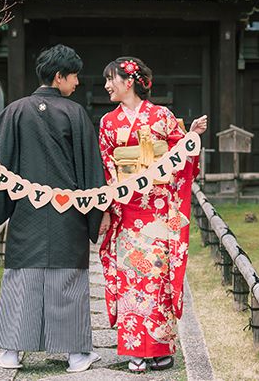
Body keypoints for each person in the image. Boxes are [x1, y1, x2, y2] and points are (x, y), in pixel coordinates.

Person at [0, 44, 105, 373]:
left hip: (28, 210)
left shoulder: (16, 110)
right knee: (67, 280)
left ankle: (10, 351)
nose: (77, 82)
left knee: (23, 278)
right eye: (74, 76)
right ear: (59, 77)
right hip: (69, 212)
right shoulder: (75, 114)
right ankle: (77, 355)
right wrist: (97, 212)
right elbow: (92, 169)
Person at [98, 56, 208, 373]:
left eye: (111, 79)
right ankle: (135, 349)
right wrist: (107, 207)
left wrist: (192, 136)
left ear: (128, 81)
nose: (107, 86)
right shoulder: (108, 123)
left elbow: (181, 155)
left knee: (156, 278)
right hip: (126, 210)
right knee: (131, 278)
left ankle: (159, 346)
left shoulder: (161, 116)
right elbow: (106, 166)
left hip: (158, 210)